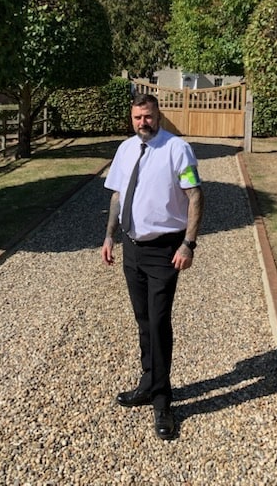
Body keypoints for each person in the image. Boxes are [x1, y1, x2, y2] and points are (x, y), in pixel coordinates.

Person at [102, 92, 204, 441]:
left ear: (158, 116)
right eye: (137, 117)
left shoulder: (177, 149)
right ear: (131, 119)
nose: (142, 122)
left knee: (159, 322)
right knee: (143, 320)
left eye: (147, 116)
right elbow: (117, 195)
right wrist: (109, 236)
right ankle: (148, 383)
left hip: (164, 251)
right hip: (132, 249)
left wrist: (188, 244)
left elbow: (195, 195)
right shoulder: (125, 149)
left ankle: (163, 401)